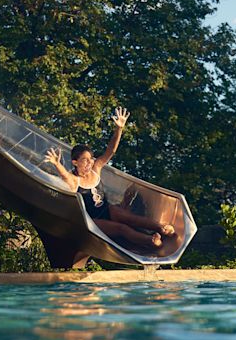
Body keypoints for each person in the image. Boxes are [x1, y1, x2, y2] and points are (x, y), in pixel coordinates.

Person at [43, 107, 175, 249]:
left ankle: (161, 228)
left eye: (91, 159)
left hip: (107, 210)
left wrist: (119, 129)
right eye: (85, 160)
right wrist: (57, 163)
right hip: (94, 220)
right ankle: (150, 241)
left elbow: (110, 151)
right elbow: (65, 176)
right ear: (75, 162)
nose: (90, 162)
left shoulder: (96, 169)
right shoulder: (76, 180)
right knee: (121, 229)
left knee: (130, 218)